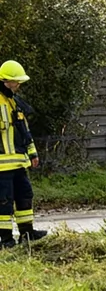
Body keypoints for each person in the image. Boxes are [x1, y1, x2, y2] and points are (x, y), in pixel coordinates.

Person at [0, 60, 47, 246]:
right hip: (2, 166)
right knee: (4, 202)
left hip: (19, 162)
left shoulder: (15, 102)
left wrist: (33, 154)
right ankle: (5, 239)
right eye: (16, 81)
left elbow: (24, 131)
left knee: (25, 196)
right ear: (5, 80)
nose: (18, 84)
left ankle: (27, 233)